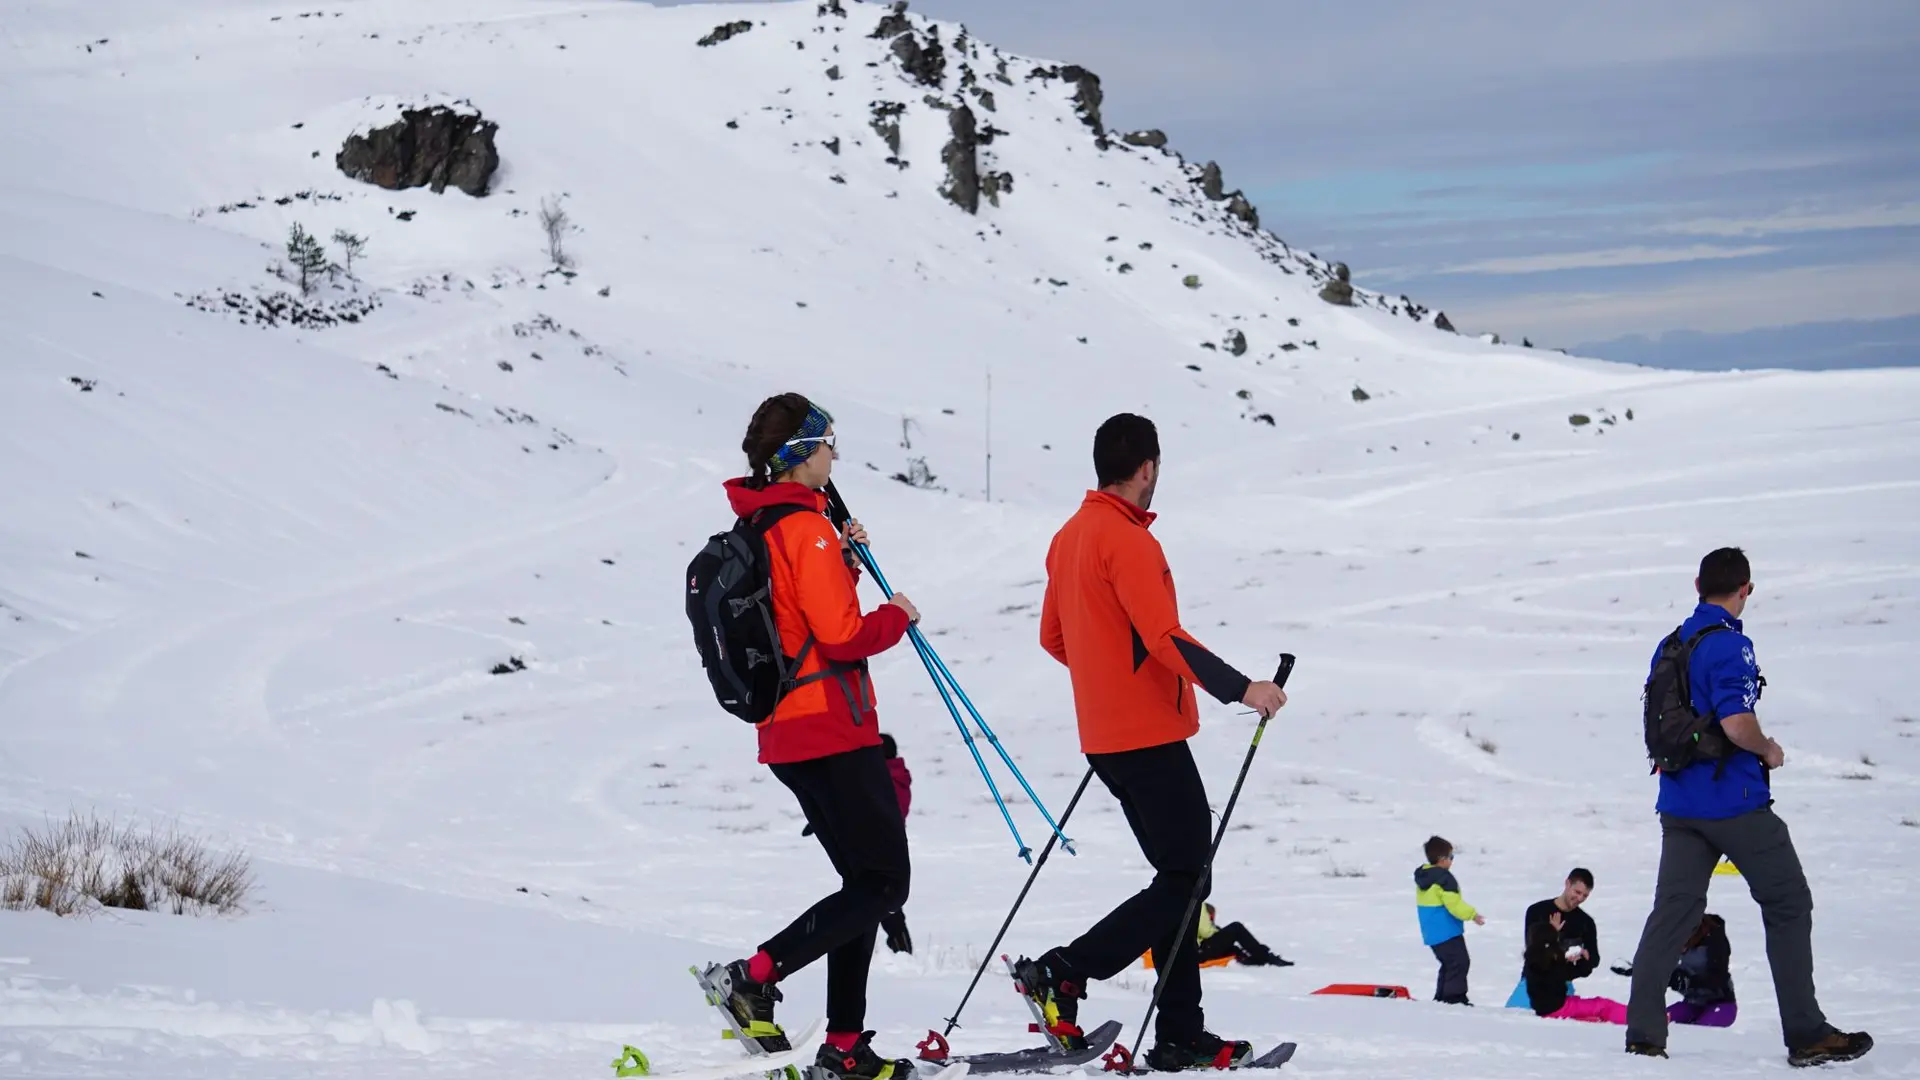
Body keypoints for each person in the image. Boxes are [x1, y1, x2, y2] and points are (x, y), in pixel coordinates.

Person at [1010, 413, 1290, 1072]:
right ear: (1147, 469)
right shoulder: (1127, 540)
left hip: (1105, 738)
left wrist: (1106, 683)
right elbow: (1164, 637)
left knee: (1180, 879)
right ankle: (1064, 972)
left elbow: (1055, 639)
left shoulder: (1070, 536)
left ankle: (1177, 1033)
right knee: (1187, 877)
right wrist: (1243, 688)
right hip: (1149, 734)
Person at [700, 394, 924, 1080]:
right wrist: (897, 617)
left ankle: (846, 1048)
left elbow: (804, 616)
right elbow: (841, 635)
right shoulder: (809, 529)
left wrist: (847, 566)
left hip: (788, 731)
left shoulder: (770, 523)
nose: (835, 457)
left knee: (862, 885)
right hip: (831, 725)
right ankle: (753, 975)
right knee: (885, 882)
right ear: (803, 453)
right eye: (828, 445)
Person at [1624, 548, 1872, 1068]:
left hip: (1678, 804)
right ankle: (1806, 1034)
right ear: (1746, 589)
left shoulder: (1672, 643)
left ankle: (1645, 1036)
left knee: (1673, 914)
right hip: (1733, 803)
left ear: (1696, 584)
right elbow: (1737, 724)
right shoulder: (1729, 646)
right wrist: (1768, 749)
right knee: (1787, 903)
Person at [1507, 869, 1598, 1010]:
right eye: (1577, 892)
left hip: (1562, 986)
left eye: (1585, 896)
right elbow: (1532, 953)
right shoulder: (1537, 911)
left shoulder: (1586, 922)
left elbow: (1594, 960)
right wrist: (1551, 933)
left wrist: (1583, 960)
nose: (1580, 899)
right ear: (1567, 884)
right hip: (1533, 983)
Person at [1414, 836, 1484, 1005]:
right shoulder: (1444, 879)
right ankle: (1454, 998)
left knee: (1448, 964)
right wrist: (1472, 915)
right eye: (1451, 857)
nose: (1452, 861)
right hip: (1447, 931)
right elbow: (1454, 905)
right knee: (1459, 962)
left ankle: (1442, 998)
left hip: (1433, 932)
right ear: (1442, 859)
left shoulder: (1425, 877)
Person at [1526, 911, 1627, 1024]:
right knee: (1604, 1006)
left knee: (1587, 1008)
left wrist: (1563, 959)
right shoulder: (1551, 965)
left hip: (1547, 1010)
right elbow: (1575, 972)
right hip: (1559, 1009)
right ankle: (1637, 1019)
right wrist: (1584, 961)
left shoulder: (1533, 961)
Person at [1666, 913, 1737, 1028]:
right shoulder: (1676, 938)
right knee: (1658, 1022)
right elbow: (1663, 966)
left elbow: (1719, 977)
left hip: (1722, 1005)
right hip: (1692, 1004)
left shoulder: (1714, 938)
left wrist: (1689, 982)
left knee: (1698, 1034)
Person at [1195, 903, 1291, 967]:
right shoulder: (1197, 902)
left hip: (1191, 953)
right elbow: (1205, 931)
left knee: (1232, 946)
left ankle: (1247, 956)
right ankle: (1264, 956)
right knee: (1236, 928)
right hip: (1200, 952)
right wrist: (1218, 931)